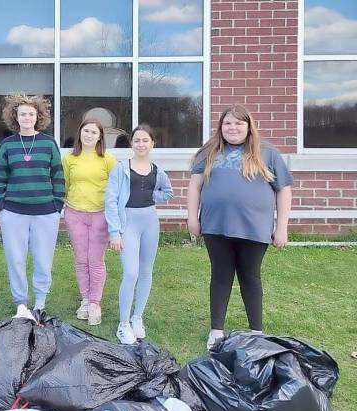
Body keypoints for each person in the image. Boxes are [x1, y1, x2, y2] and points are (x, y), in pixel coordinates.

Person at [187, 104, 293, 350]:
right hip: (216, 226)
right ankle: (216, 331)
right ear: (220, 127)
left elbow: (284, 190)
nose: (232, 128)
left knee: (250, 277)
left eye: (238, 123)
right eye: (227, 123)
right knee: (221, 276)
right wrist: (192, 217)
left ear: (248, 126)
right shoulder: (209, 150)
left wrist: (282, 226)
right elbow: (194, 186)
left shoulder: (267, 152)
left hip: (254, 228)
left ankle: (256, 331)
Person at [0, 93, 65, 320]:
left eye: (31, 114)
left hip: (46, 212)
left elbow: (58, 175)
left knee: (43, 259)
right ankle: (21, 303)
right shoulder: (7, 145)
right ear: (15, 116)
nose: (27, 117)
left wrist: (57, 205)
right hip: (13, 212)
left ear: (38, 116)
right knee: (15, 259)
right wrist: (2, 204)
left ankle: (40, 302)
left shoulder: (48, 143)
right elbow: (0, 178)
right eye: (22, 113)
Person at [105, 124, 173, 344]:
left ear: (152, 143)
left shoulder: (157, 170)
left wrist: (153, 194)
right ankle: (123, 324)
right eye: (137, 140)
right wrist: (114, 232)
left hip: (150, 222)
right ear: (131, 144)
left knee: (146, 272)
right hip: (128, 225)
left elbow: (167, 192)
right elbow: (111, 200)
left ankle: (137, 317)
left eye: (145, 140)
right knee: (131, 273)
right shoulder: (121, 168)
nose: (141, 144)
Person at [62, 119, 116, 325]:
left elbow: (116, 188)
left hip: (100, 214)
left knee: (95, 259)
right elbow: (65, 183)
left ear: (100, 136)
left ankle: (95, 302)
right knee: (81, 258)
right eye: (86, 131)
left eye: (94, 132)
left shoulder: (107, 159)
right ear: (80, 133)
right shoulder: (69, 158)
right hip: (75, 213)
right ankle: (85, 299)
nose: (89, 135)